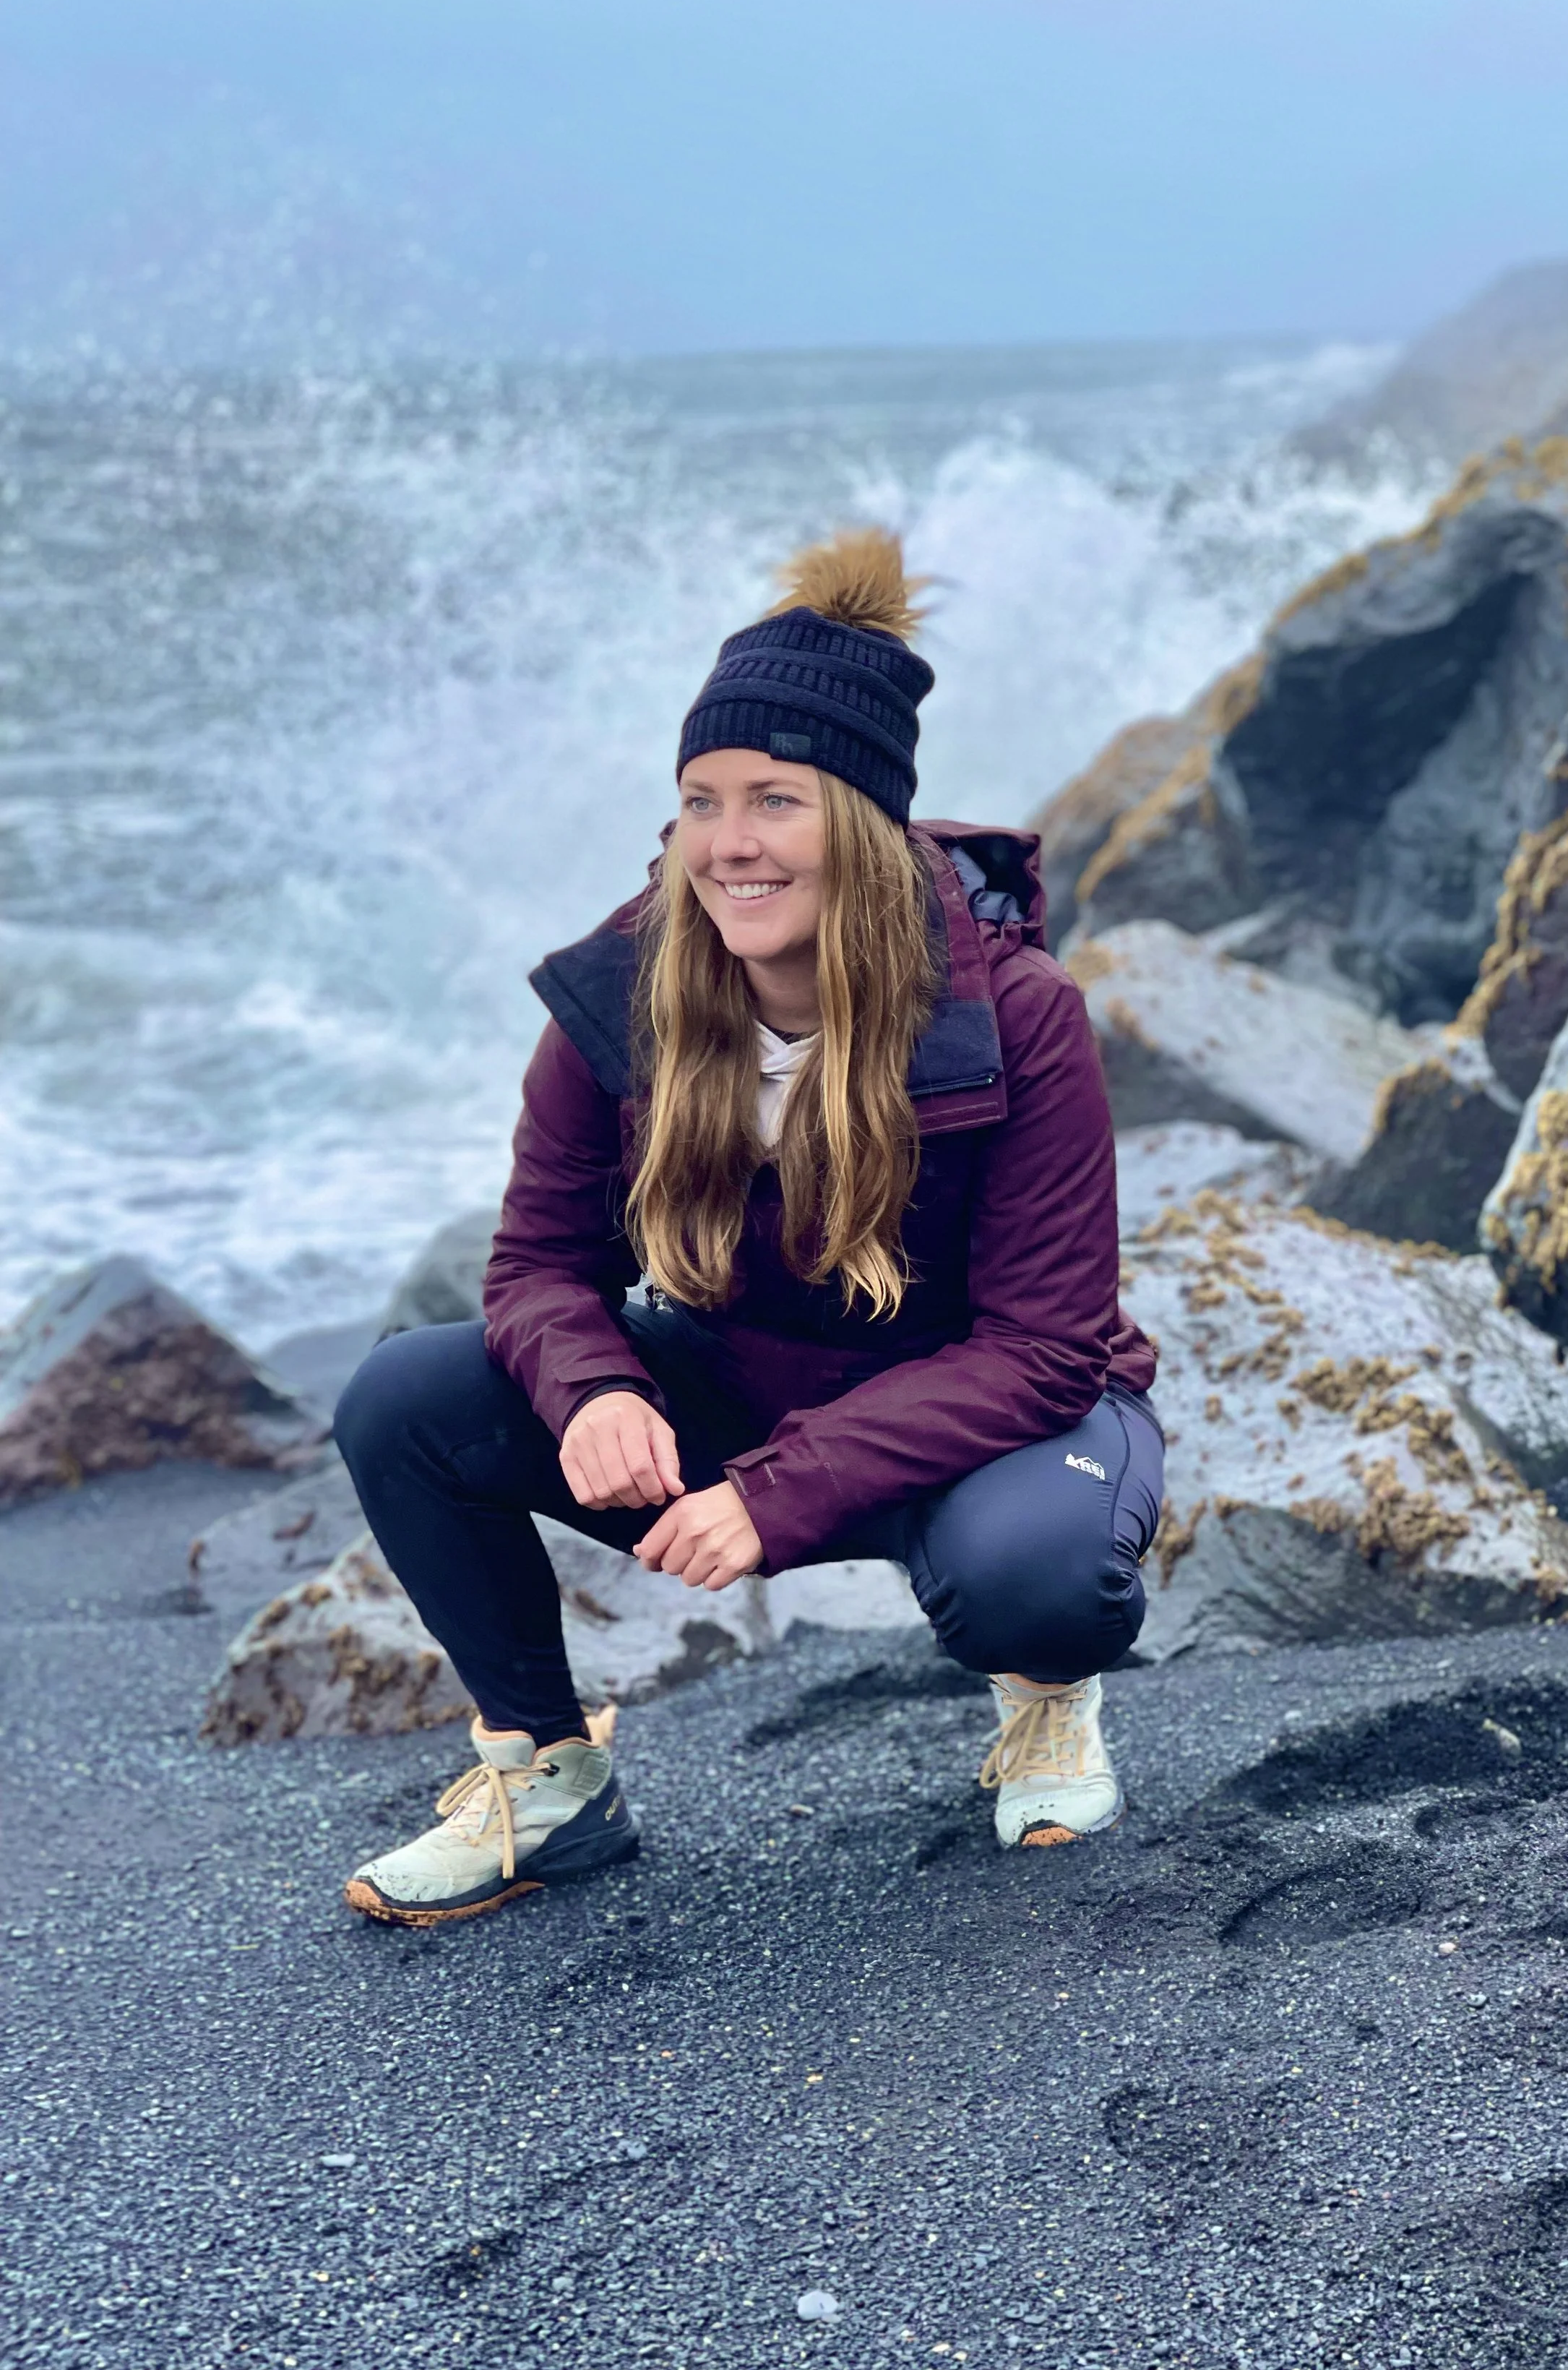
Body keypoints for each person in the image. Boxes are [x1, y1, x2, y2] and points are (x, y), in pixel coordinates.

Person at [334, 528, 1164, 1926]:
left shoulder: (1018, 1015)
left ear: (863, 819)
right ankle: (545, 1778)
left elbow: (1041, 1348)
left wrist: (774, 1497)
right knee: (407, 1397)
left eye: (775, 800)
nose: (730, 844)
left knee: (1040, 1578)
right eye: (703, 799)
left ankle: (1044, 1701)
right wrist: (593, 1385)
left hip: (994, 1423)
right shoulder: (625, 993)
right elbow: (538, 1265)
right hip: (746, 1389)